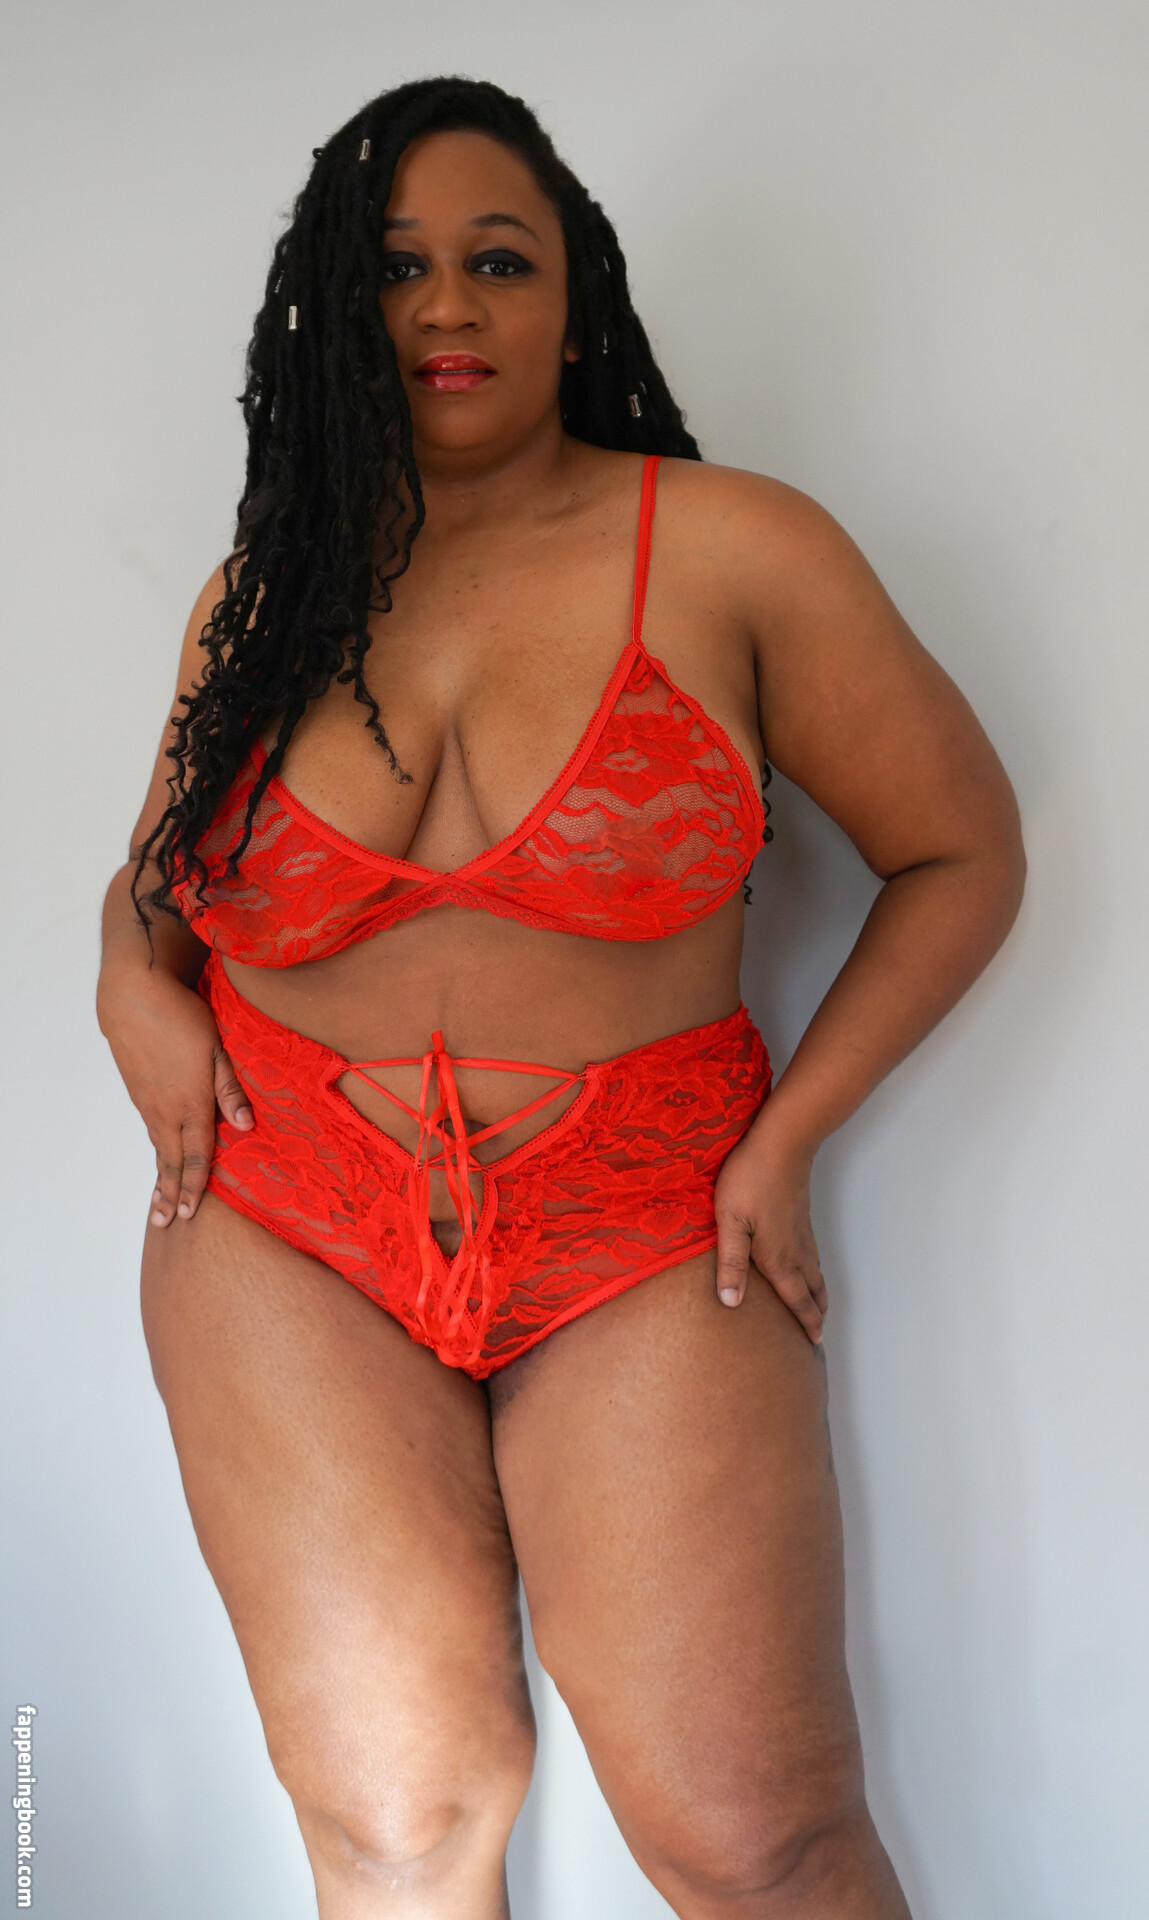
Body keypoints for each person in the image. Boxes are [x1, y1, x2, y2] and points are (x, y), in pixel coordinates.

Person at [97, 74, 1024, 1920]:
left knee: (754, 1835)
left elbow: (958, 854)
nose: (446, 305)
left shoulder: (739, 548)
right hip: (283, 1225)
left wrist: (786, 1140)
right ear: (336, 310)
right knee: (395, 1826)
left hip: (646, 1217)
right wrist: (130, 987)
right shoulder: (263, 595)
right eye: (397, 267)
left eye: (498, 261)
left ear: (574, 301)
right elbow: (159, 886)